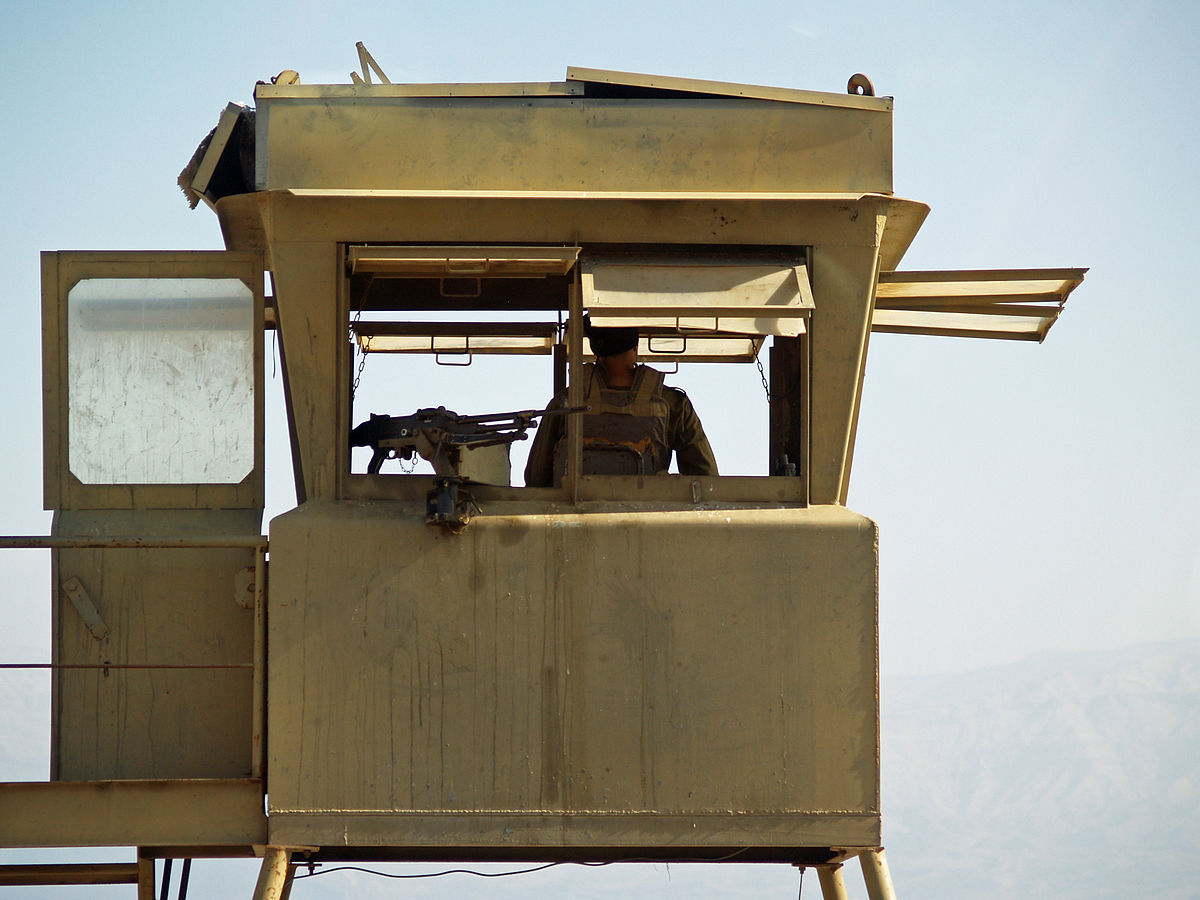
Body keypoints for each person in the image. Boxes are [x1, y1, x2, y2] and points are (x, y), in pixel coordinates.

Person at [524, 318, 718, 487]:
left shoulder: (566, 402)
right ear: (635, 347)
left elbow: (536, 477)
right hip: (647, 522)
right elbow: (706, 479)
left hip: (577, 522)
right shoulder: (673, 404)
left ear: (595, 348)